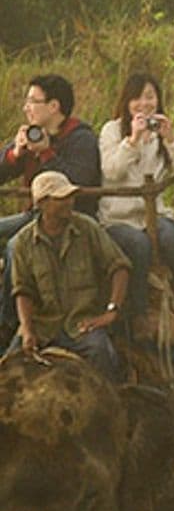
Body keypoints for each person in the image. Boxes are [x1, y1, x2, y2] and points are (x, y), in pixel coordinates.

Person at [97, 72, 174, 345]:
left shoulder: (161, 133)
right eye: (137, 98)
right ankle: (139, 315)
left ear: (158, 101)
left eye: (150, 97)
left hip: (153, 215)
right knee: (139, 244)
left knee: (169, 235)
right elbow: (111, 171)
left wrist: (171, 139)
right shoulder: (112, 130)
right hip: (117, 219)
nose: (143, 104)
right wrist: (133, 140)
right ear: (127, 101)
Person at [0, 74, 101, 344]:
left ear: (54, 106)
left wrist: (46, 153)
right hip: (33, 216)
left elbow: (78, 182)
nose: (26, 107)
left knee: (13, 247)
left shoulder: (82, 139)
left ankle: (7, 324)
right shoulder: (33, 133)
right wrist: (15, 155)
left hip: (70, 219)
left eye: (33, 101)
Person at [4, 171, 129, 381]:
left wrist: (111, 310)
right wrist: (26, 329)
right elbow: (22, 289)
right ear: (42, 203)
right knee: (8, 369)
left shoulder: (87, 228)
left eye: (70, 196)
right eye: (61, 198)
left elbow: (119, 266)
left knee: (104, 356)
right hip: (43, 326)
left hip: (82, 326)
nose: (69, 202)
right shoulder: (23, 242)